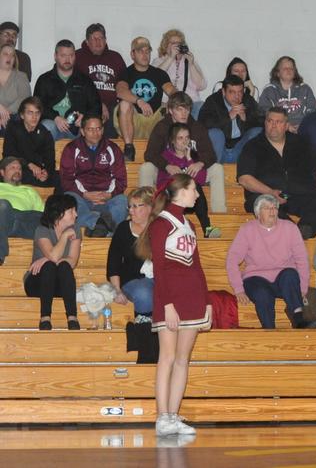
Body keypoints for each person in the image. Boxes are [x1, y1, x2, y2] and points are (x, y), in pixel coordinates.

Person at [139, 174, 212, 437]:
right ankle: (162, 418)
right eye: (194, 189)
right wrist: (167, 304)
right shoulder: (161, 224)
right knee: (167, 358)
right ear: (180, 191)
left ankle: (173, 414)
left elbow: (197, 267)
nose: (197, 194)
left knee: (183, 359)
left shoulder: (188, 224)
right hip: (169, 298)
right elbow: (160, 267)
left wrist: (207, 301)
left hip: (192, 298)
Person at [237, 108, 316, 239]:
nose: (273, 125)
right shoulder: (252, 146)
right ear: (265, 123)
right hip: (267, 195)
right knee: (261, 203)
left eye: (278, 122)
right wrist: (270, 192)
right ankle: (290, 231)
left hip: (298, 194)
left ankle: (302, 231)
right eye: (270, 121)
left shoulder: (301, 143)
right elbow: (244, 178)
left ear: (286, 125)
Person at [226, 194, 313, 329]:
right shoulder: (247, 229)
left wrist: (303, 287)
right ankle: (269, 330)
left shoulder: (290, 227)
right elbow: (232, 259)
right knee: (262, 293)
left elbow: (301, 258)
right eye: (267, 208)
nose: (272, 211)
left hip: (283, 279)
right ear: (257, 213)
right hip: (256, 277)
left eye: (275, 208)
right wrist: (238, 289)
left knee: (290, 274)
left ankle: (298, 319)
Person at [140, 92, 226, 217]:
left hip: (191, 169)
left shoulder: (197, 127)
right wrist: (166, 165)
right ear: (170, 110)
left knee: (217, 168)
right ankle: (144, 212)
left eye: (187, 109)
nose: (184, 113)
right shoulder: (162, 127)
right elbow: (150, 154)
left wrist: (200, 163)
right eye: (179, 109)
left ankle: (220, 215)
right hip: (168, 172)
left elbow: (211, 155)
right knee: (146, 167)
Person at [59, 114, 128, 236]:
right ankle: (99, 223)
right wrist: (84, 194)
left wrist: (108, 195)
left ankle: (98, 228)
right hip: (82, 198)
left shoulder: (113, 148)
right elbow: (67, 179)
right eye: (90, 129)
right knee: (69, 199)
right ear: (82, 131)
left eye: (98, 129)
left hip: (107, 198)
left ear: (102, 130)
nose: (95, 133)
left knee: (122, 200)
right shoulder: (71, 149)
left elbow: (121, 179)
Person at [115, 36, 175, 162]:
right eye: (140, 51)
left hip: (154, 121)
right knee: (124, 104)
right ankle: (129, 149)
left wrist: (174, 100)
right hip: (134, 120)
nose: (145, 54)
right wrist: (139, 101)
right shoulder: (126, 72)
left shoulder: (159, 73)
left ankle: (173, 152)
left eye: (147, 51)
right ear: (132, 54)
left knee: (174, 105)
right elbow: (120, 91)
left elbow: (171, 90)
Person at [26, 194, 80, 330]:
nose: (76, 214)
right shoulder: (42, 230)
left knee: (64, 266)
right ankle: (45, 318)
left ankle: (72, 318)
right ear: (59, 214)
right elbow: (54, 257)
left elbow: (72, 261)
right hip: (37, 283)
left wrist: (45, 259)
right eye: (71, 211)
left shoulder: (76, 230)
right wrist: (64, 237)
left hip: (60, 284)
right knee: (50, 266)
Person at [156, 125, 218, 238]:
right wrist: (176, 180)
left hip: (191, 201)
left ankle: (207, 228)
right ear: (173, 141)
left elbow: (200, 180)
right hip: (172, 199)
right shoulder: (166, 158)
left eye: (187, 137)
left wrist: (189, 159)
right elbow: (160, 183)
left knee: (196, 187)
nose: (184, 141)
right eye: (180, 138)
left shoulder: (195, 158)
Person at [33, 39, 101, 140]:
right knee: (46, 127)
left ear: (75, 56)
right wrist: (55, 118)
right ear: (55, 56)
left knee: (91, 127)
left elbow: (96, 106)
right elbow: (37, 105)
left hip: (76, 126)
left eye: (71, 55)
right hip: (53, 123)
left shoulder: (84, 80)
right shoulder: (44, 80)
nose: (67, 59)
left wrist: (85, 117)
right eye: (63, 55)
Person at [107, 186, 155, 321]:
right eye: (130, 206)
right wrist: (117, 290)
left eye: (135, 206)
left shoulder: (160, 227)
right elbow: (113, 263)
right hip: (133, 280)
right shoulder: (123, 228)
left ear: (150, 207)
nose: (131, 211)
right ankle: (144, 327)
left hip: (160, 279)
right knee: (144, 292)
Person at [199, 74, 263, 164]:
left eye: (240, 92)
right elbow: (203, 124)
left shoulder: (248, 101)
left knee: (257, 131)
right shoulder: (213, 101)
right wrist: (228, 117)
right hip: (221, 149)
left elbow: (262, 122)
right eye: (232, 92)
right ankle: (213, 171)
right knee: (215, 133)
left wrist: (245, 119)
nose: (237, 96)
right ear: (223, 92)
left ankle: (250, 172)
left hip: (240, 149)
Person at [74, 23, 126, 127]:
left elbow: (125, 83)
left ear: (105, 40)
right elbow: (74, 85)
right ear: (87, 42)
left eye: (101, 38)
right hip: (87, 104)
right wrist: (98, 104)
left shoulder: (116, 57)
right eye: (94, 38)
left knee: (117, 113)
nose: (98, 41)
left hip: (113, 105)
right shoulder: (77, 57)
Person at [3, 97, 57, 188]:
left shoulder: (45, 134)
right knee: (13, 173)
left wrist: (46, 172)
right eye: (30, 113)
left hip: (37, 172)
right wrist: (28, 164)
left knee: (60, 177)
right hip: (17, 168)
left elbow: (50, 159)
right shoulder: (13, 128)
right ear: (22, 115)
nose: (34, 117)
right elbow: (8, 154)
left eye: (37, 113)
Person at [0, 156, 44, 264]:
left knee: (46, 217)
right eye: (12, 168)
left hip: (24, 224)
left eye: (19, 168)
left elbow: (42, 216)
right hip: (3, 217)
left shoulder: (30, 190)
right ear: (2, 172)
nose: (17, 171)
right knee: (3, 205)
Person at [153, 29, 207, 116]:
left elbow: (202, 86)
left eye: (179, 43)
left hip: (191, 103)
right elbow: (154, 79)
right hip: (167, 103)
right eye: (173, 43)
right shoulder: (159, 61)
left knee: (201, 107)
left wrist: (191, 65)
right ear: (166, 46)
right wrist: (171, 57)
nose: (177, 45)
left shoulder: (190, 61)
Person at [258, 56, 316, 132]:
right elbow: (265, 112)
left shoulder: (305, 88)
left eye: (291, 68)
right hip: (278, 129)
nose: (288, 70)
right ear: (277, 73)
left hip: (302, 128)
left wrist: (303, 126)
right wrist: (286, 126)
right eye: (285, 68)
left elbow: (313, 111)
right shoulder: (269, 90)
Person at [0, 44, 30, 134]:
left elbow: (23, 98)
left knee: (16, 122)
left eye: (12, 55)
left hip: (14, 115)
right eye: (5, 54)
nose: (9, 57)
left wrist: (5, 114)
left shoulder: (21, 76)